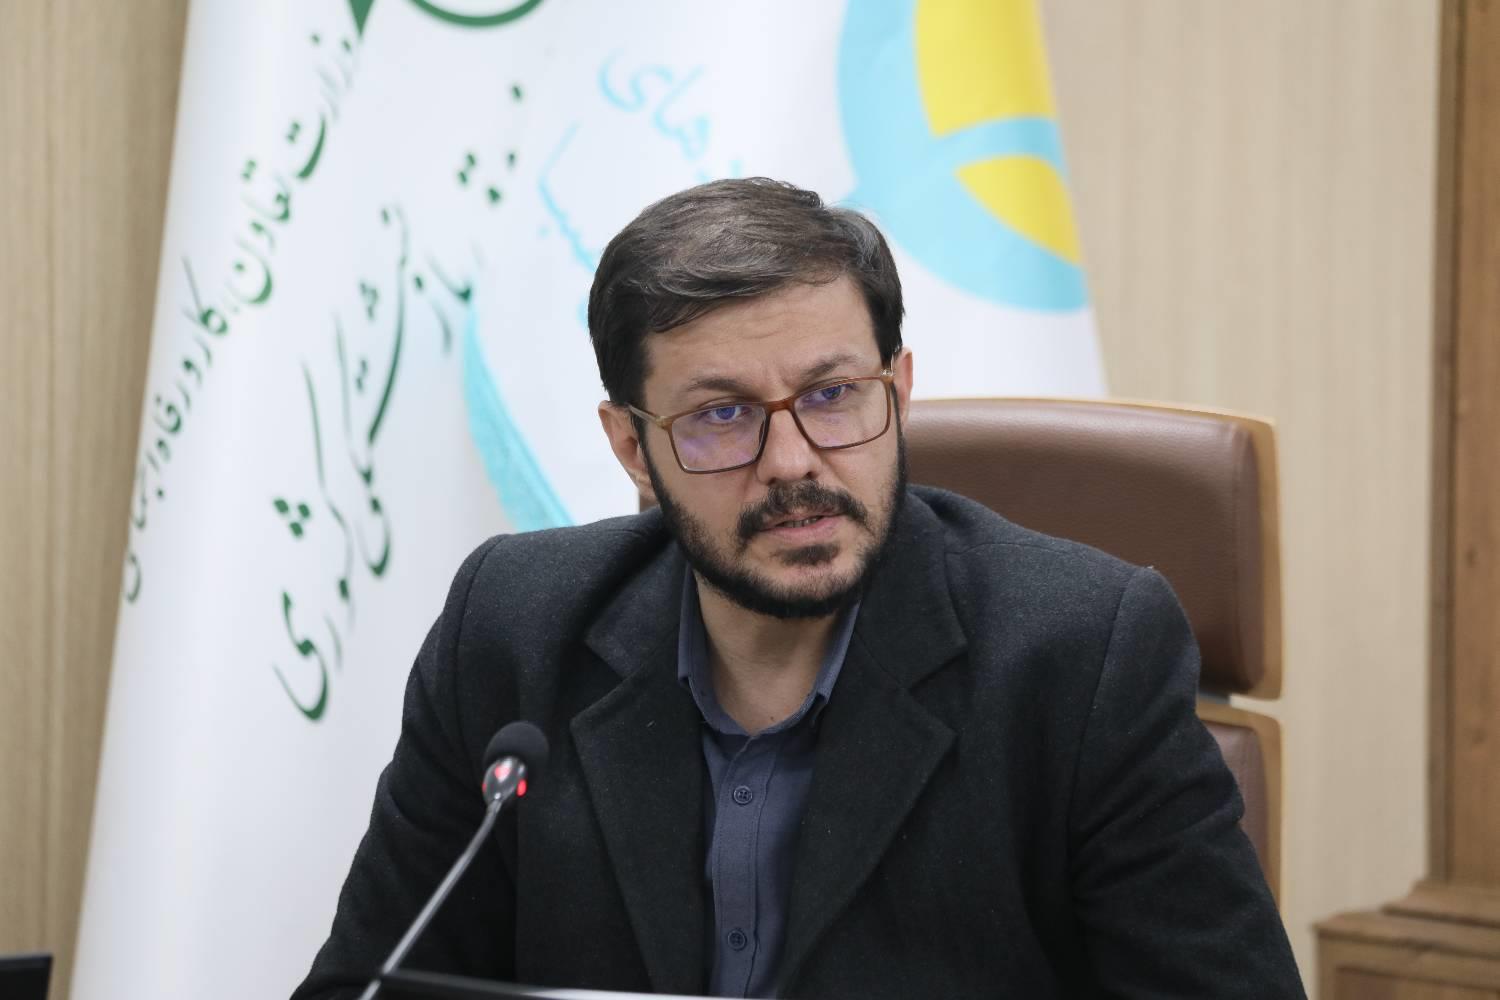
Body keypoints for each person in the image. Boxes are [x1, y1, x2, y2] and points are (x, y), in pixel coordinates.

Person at [293, 178, 1305, 999]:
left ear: (898, 391)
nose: (792, 462)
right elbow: (368, 984)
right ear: (632, 446)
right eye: (721, 415)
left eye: (832, 396)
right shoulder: (514, 631)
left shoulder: (1081, 656)